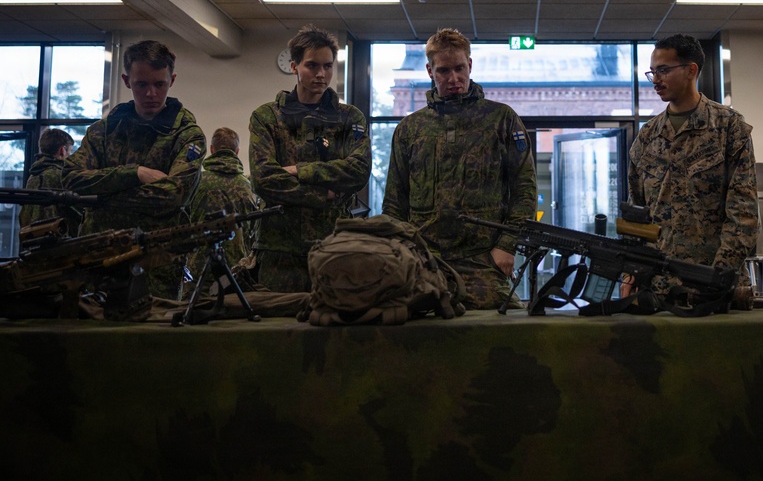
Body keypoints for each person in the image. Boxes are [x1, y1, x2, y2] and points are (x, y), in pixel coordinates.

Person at [382, 27, 537, 310]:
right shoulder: (411, 128)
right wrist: (397, 253)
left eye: (459, 68)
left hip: (485, 261)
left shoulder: (501, 119)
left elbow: (524, 189)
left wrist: (507, 245)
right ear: (430, 71)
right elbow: (394, 201)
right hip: (425, 261)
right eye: (443, 71)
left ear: (470, 65)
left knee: (504, 336)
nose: (453, 79)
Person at [63, 40, 206, 298]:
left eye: (159, 84)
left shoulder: (186, 135)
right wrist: (135, 173)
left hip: (155, 266)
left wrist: (100, 198)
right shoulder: (104, 131)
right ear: (127, 81)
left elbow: (174, 195)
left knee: (151, 337)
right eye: (142, 84)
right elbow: (71, 178)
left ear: (171, 80)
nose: (151, 93)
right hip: (99, 260)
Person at [625, 34, 759, 294]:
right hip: (657, 287)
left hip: (713, 286)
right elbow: (636, 214)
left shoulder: (728, 128)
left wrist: (717, 277)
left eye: (663, 70)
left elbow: (743, 215)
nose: (656, 80)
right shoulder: (648, 135)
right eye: (652, 72)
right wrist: (631, 272)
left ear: (691, 70)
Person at [249, 24, 371, 292]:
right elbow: (263, 179)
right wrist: (324, 194)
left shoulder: (349, 117)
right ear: (294, 66)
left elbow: (359, 170)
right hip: (279, 247)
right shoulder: (268, 117)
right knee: (278, 327)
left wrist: (301, 171)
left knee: (335, 325)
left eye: (328, 66)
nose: (321, 74)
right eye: (312, 66)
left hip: (333, 244)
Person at [183, 127, 261, 298]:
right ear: (237, 151)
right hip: (234, 270)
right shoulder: (248, 186)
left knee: (193, 315)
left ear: (212, 149)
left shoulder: (196, 182)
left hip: (197, 268)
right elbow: (253, 231)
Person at [18, 128, 83, 236]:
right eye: (69, 151)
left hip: (32, 237)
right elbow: (78, 211)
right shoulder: (61, 175)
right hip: (57, 239)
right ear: (62, 150)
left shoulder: (33, 176)